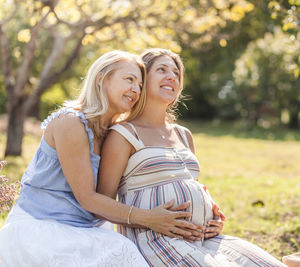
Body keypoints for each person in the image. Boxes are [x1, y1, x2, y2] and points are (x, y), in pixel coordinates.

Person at [0, 50, 198, 266]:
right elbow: (87, 198)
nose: (135, 89)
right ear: (102, 79)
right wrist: (150, 218)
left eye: (140, 85)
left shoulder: (115, 133)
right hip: (43, 226)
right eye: (129, 80)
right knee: (122, 252)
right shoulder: (70, 123)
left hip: (87, 228)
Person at [97, 48, 287, 267]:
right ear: (142, 78)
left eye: (176, 73)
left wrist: (212, 214)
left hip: (205, 238)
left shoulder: (183, 134)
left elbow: (190, 186)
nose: (172, 76)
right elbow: (102, 202)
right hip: (155, 240)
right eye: (162, 69)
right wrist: (149, 218)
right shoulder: (123, 134)